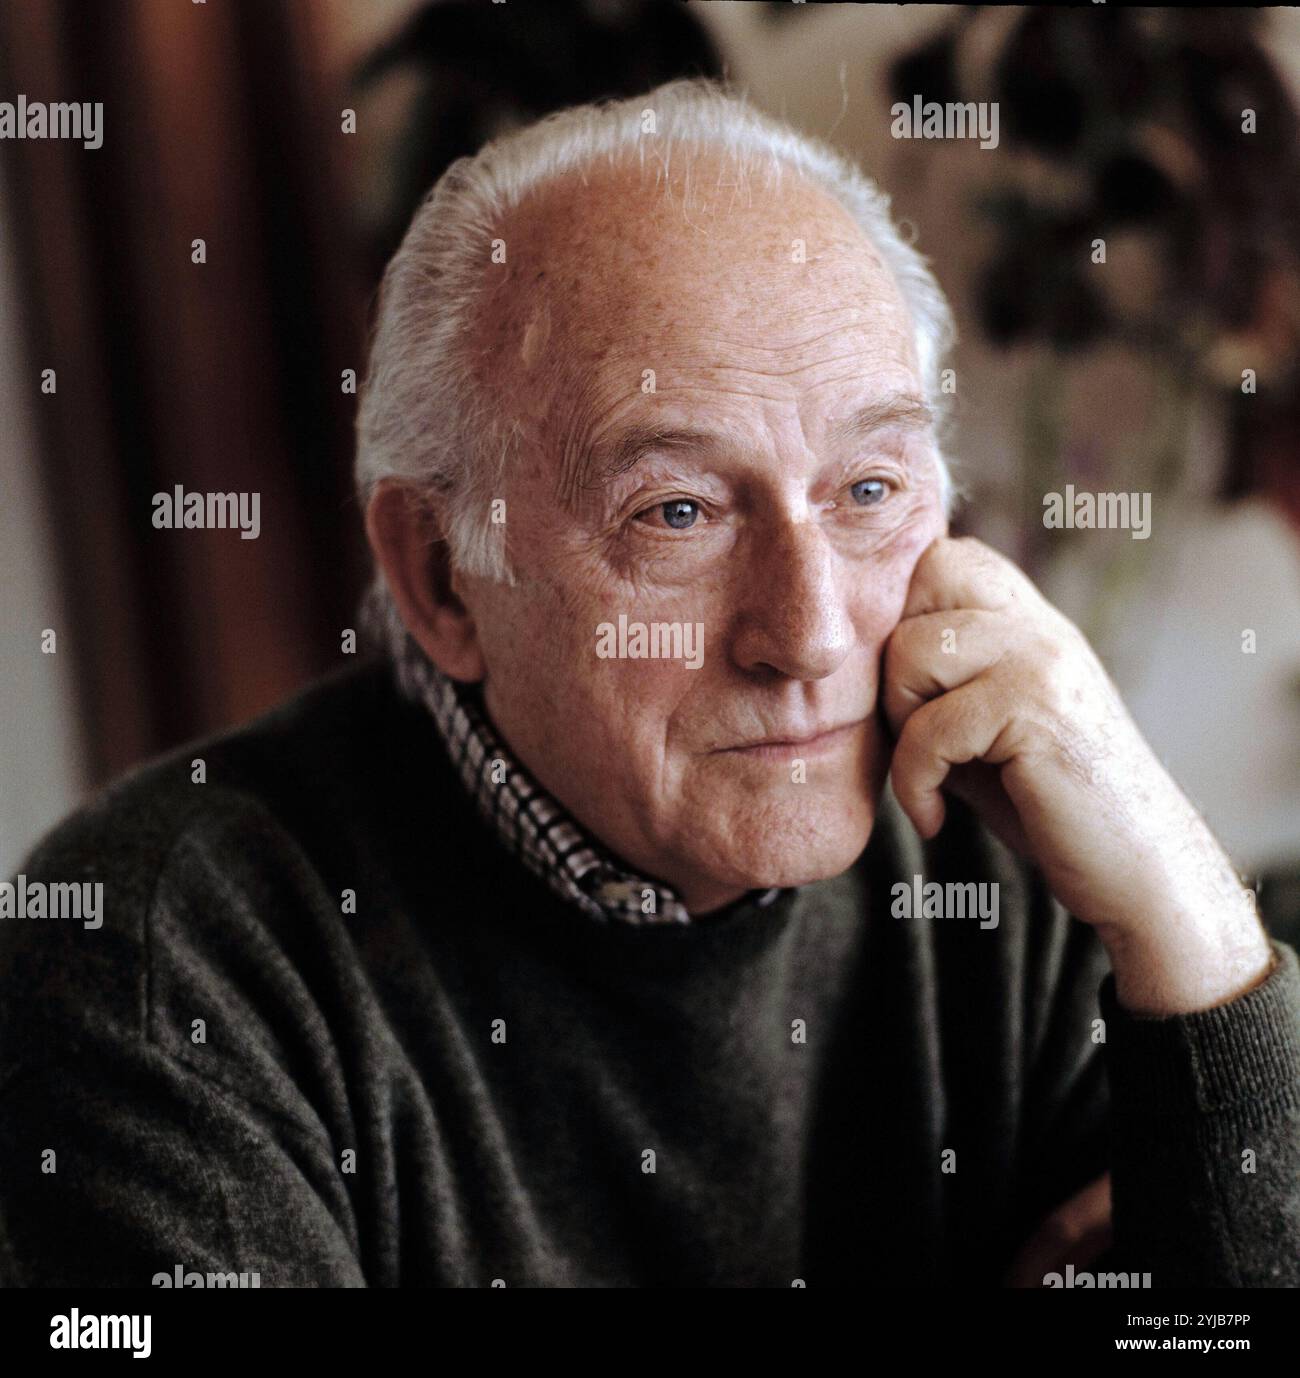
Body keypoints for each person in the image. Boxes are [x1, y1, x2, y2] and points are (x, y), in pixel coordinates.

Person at [1, 79, 1296, 1288]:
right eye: (677, 511)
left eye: (868, 490)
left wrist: (1194, 923)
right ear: (446, 576)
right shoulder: (155, 969)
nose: (809, 632)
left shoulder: (1006, 829)